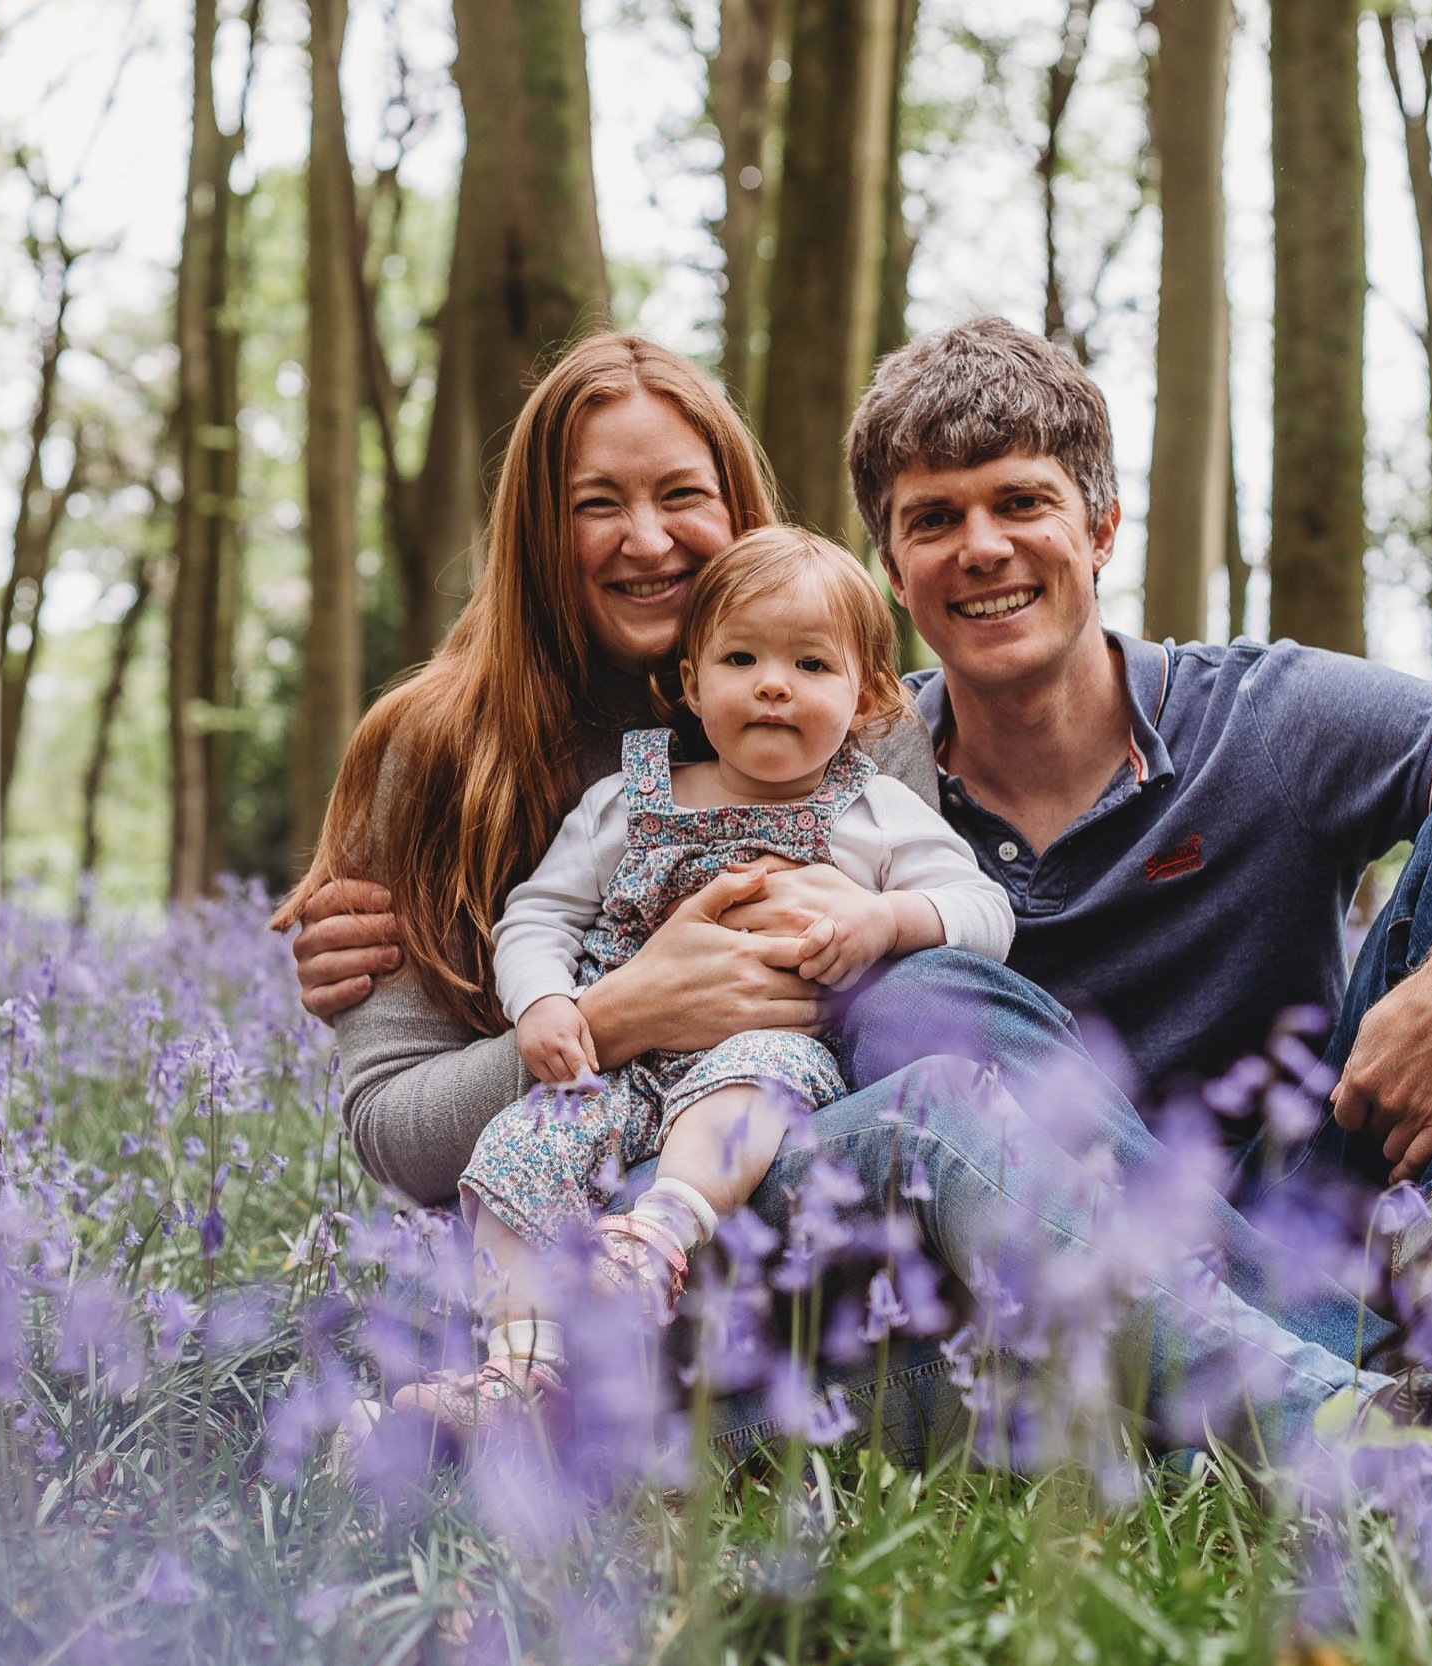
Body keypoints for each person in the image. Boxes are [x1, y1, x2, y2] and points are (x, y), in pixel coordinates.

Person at [286, 327, 1432, 1482]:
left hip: (1214, 1211)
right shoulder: (438, 754)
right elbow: (398, 1122)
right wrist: (615, 1005)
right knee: (925, 1030)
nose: (647, 537)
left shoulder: (865, 748)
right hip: (708, 1238)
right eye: (596, 500)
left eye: (684, 498)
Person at [392, 528, 1015, 1438]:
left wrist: (886, 919)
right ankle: (518, 1369)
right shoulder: (630, 797)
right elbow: (539, 915)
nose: (773, 683)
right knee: (510, 1156)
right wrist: (546, 1002)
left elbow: (984, 910)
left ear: (867, 694)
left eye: (810, 663)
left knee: (748, 1079)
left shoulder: (873, 809)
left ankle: (656, 1237)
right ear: (689, 681)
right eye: (740, 657)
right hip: (612, 1074)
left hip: (767, 1062)